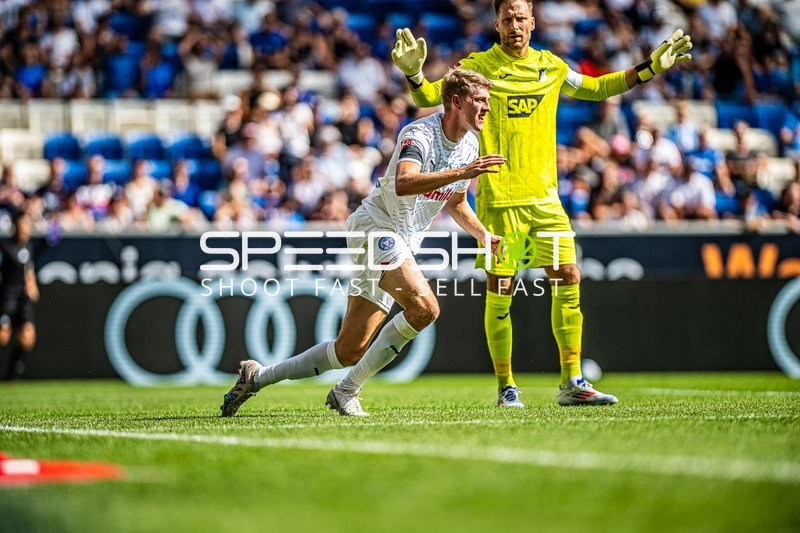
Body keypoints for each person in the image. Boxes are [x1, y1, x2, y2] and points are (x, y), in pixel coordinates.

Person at [391, 0, 692, 406]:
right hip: (502, 204)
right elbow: (432, 96)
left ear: (533, 22)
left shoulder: (551, 67)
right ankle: (506, 386)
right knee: (503, 289)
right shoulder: (478, 68)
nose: (515, 25)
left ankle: (572, 381)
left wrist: (649, 68)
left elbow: (598, 87)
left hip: (545, 203)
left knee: (568, 276)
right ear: (496, 23)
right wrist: (413, 73)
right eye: (507, 18)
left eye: (521, 18)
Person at [221, 68, 506, 417]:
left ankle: (257, 376)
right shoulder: (420, 133)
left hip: (400, 240)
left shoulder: (470, 145)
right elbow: (404, 182)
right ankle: (346, 390)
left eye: (488, 101)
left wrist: (484, 235)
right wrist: (463, 173)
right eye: (481, 100)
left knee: (348, 351)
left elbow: (457, 203)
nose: (487, 107)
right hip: (375, 227)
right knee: (426, 308)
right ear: (457, 102)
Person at [1, 212, 39, 380]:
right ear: (15, 227)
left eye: (28, 225)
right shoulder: (5, 248)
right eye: (24, 225)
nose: (26, 229)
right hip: (7, 298)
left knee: (28, 337)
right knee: (3, 337)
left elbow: (29, 270)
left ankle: (12, 375)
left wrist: (32, 285)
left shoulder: (27, 249)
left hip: (22, 300)